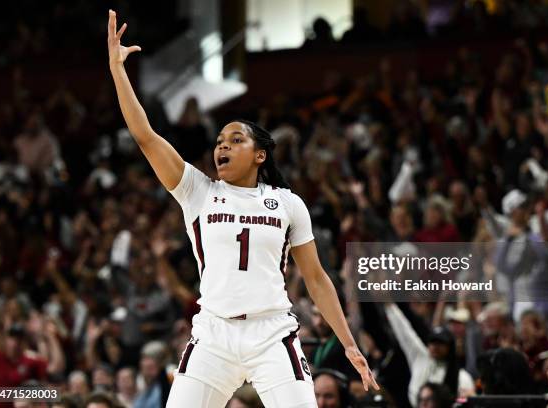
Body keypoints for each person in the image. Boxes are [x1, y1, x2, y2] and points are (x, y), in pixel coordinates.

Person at [106, 9, 378, 408]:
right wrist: (117, 71)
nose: (222, 146)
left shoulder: (287, 202)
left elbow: (317, 279)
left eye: (235, 140)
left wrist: (349, 343)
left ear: (260, 155)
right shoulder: (197, 190)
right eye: (219, 140)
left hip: (272, 334)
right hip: (213, 334)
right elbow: (145, 135)